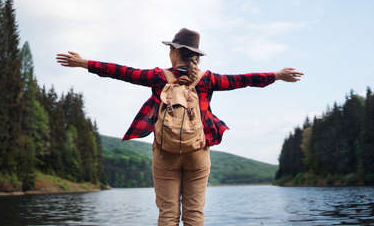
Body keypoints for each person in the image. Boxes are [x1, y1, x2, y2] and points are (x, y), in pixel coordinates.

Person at [56, 28, 303, 226]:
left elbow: (122, 72)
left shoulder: (158, 76)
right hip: (198, 151)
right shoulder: (208, 80)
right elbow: (244, 80)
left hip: (165, 152)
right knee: (194, 214)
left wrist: (84, 63)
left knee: (167, 215)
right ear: (195, 55)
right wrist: (277, 75)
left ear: (175, 51)